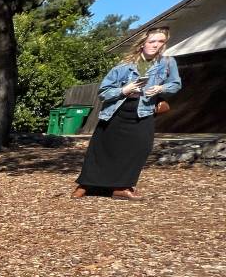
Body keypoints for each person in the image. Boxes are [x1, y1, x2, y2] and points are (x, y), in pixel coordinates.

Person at [73, 26, 182, 200]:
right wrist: (124, 90)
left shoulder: (168, 63)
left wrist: (162, 87)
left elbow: (175, 84)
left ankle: (121, 187)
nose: (156, 45)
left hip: (144, 111)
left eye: (161, 41)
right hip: (117, 110)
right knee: (101, 148)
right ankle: (86, 184)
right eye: (152, 41)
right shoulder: (124, 66)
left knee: (140, 148)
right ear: (142, 44)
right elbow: (103, 92)